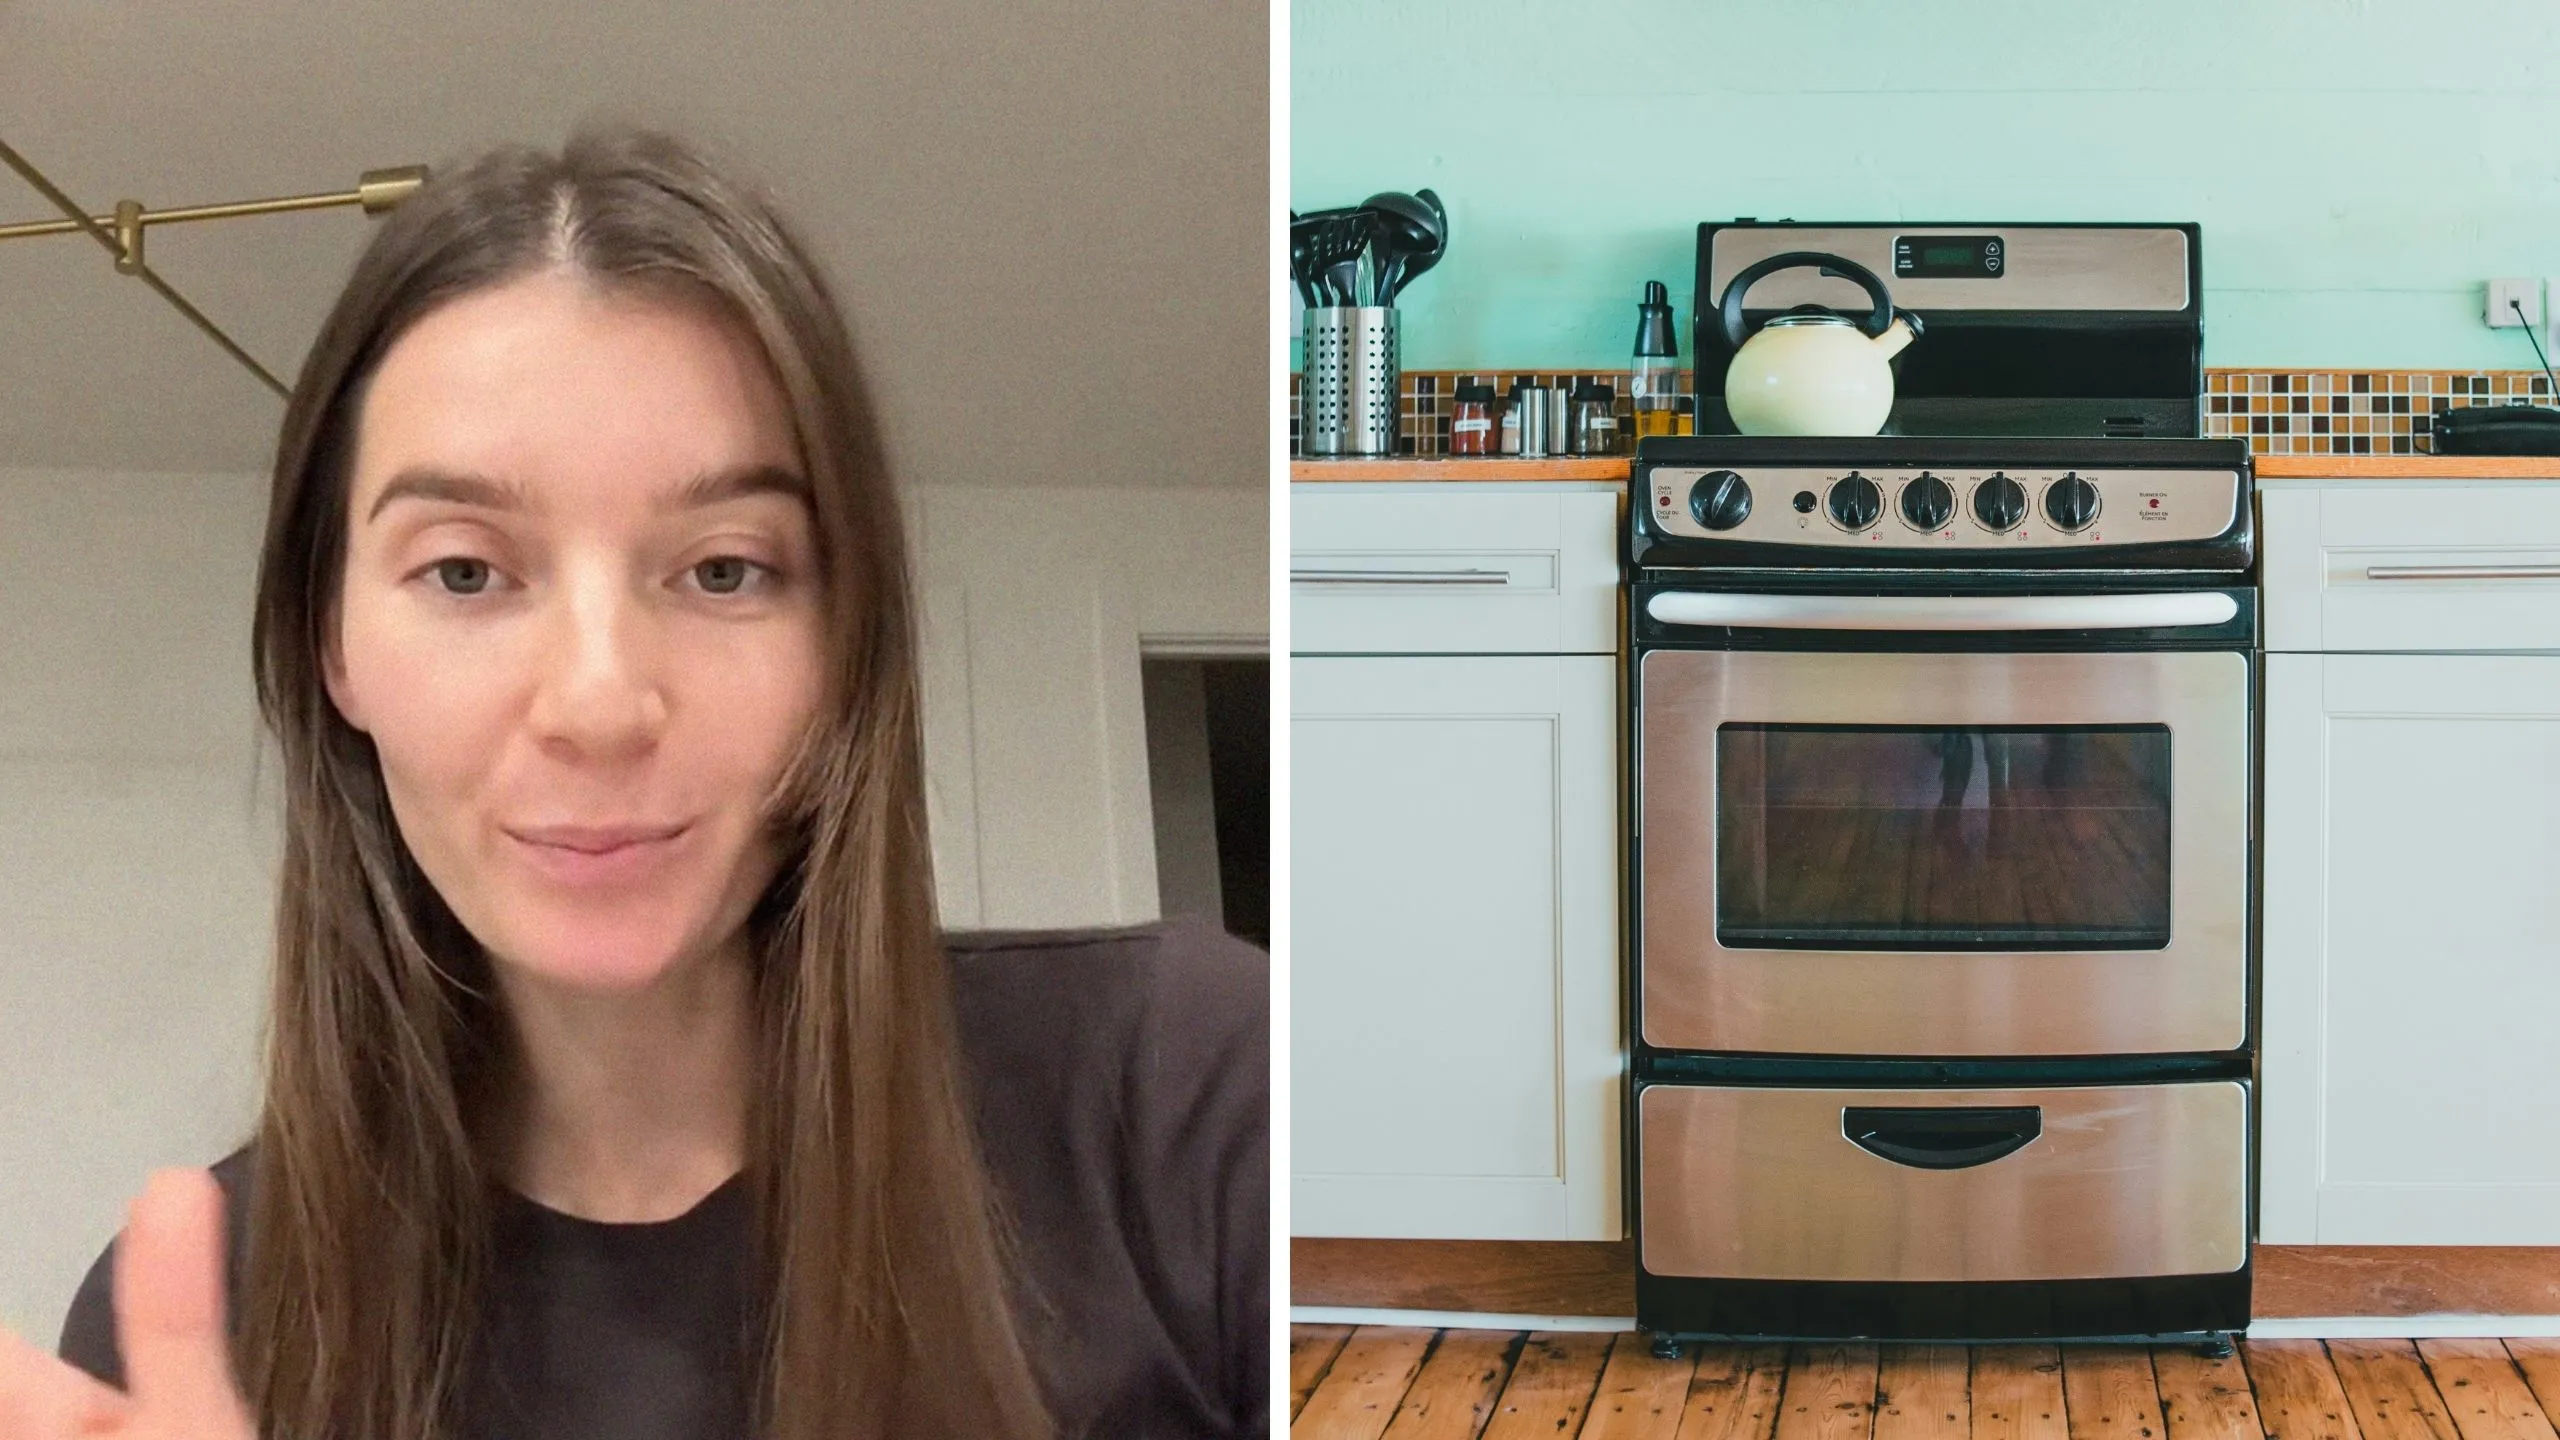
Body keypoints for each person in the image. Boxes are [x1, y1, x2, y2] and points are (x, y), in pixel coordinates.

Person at [0, 126, 1268, 1440]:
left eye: (724, 571)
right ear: (333, 648)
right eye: (466, 572)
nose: (600, 704)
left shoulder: (1191, 1099)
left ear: (843, 643)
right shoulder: (207, 1322)